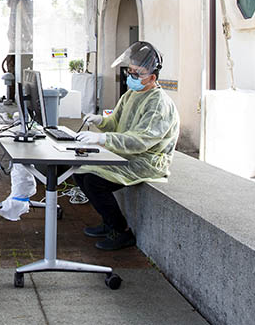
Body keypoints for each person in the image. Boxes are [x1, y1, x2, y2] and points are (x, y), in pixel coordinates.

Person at [73, 41, 180, 250]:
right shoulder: (132, 94)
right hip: (126, 153)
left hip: (147, 160)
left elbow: (141, 141)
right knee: (80, 172)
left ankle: (122, 232)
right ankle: (107, 222)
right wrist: (100, 121)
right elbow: (116, 121)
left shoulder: (158, 103)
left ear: (152, 77)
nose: (131, 77)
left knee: (95, 182)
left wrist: (103, 140)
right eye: (130, 71)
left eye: (136, 73)